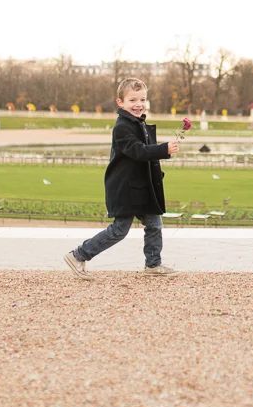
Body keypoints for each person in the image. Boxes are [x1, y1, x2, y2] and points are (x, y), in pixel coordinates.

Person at [64, 78, 180, 278]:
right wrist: (163, 149)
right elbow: (138, 151)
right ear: (120, 102)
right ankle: (78, 255)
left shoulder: (138, 123)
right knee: (119, 230)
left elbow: (143, 156)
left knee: (154, 224)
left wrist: (157, 169)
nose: (138, 104)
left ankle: (153, 264)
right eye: (132, 100)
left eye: (142, 99)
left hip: (142, 187)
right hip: (126, 188)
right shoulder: (122, 127)